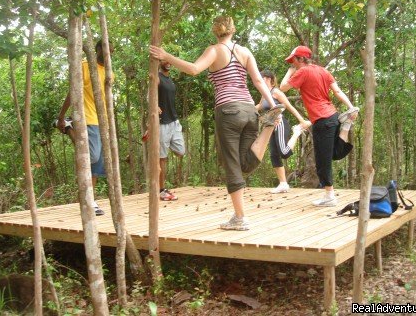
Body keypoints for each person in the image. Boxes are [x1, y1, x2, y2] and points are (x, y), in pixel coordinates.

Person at [149, 15, 284, 231]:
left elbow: (193, 69)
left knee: (232, 164)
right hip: (249, 109)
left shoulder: (214, 50)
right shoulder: (245, 51)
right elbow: (258, 81)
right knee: (245, 163)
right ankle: (268, 127)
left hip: (228, 110)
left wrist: (167, 56)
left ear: (215, 31)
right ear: (233, 29)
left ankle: (240, 218)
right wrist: (272, 105)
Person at [280, 45, 359, 207]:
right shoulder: (323, 71)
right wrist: (351, 106)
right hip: (332, 116)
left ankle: (329, 195)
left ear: (301, 59)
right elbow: (337, 91)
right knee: (333, 154)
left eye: (294, 60)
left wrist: (289, 72)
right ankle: (346, 125)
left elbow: (282, 88)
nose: (292, 64)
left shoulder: (303, 71)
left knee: (323, 160)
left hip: (322, 120)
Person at [57, 40, 115, 216]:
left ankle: (91, 201)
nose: (108, 54)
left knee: (97, 165)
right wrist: (61, 116)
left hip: (102, 120)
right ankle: (68, 127)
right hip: (86, 117)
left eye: (111, 51)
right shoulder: (83, 66)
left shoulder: (110, 73)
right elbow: (73, 92)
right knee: (93, 155)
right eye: (105, 50)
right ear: (97, 50)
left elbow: (107, 99)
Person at [255, 70, 312, 193]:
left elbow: (289, 106)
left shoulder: (276, 92)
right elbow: (259, 107)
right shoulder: (264, 94)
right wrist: (244, 108)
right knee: (273, 155)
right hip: (270, 126)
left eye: (263, 78)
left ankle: (296, 131)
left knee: (284, 153)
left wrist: (302, 121)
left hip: (280, 123)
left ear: (269, 79)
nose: (260, 80)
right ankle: (283, 184)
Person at [142, 61, 185, 201]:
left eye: (169, 60)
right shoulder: (157, 77)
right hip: (162, 123)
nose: (167, 63)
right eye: (163, 60)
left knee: (180, 151)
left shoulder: (170, 80)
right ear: (159, 63)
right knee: (162, 159)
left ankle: (154, 134)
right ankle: (161, 190)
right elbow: (150, 96)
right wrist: (154, 106)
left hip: (174, 121)